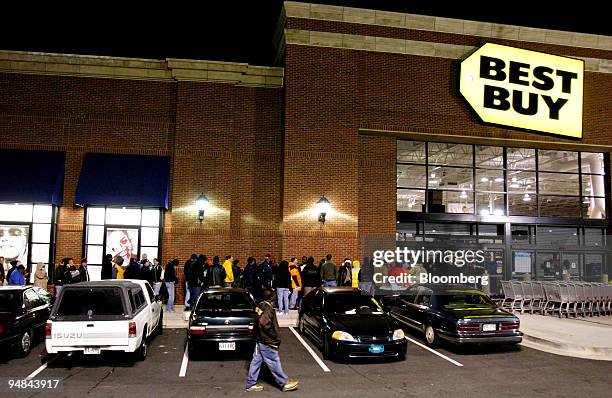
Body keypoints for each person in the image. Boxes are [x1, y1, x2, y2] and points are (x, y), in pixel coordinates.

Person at [246, 288, 299, 392]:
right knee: (273, 361)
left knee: (256, 362)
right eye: (274, 295)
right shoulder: (268, 308)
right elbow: (263, 323)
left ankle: (251, 384)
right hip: (267, 341)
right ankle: (284, 382)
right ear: (271, 297)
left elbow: (257, 321)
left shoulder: (260, 305)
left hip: (259, 339)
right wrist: (274, 336)